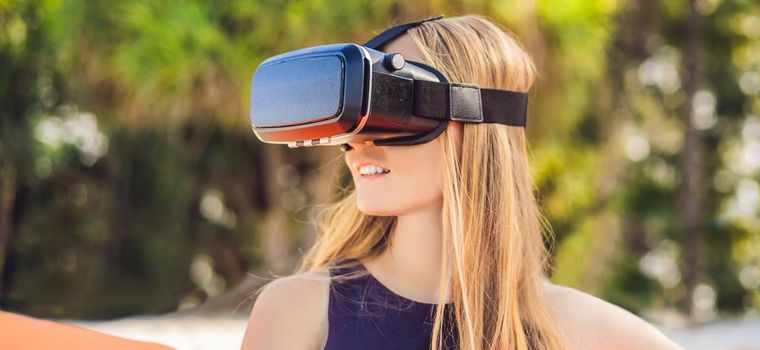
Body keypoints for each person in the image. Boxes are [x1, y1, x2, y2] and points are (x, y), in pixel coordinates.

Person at [240, 15, 683, 350]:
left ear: (479, 122)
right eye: (356, 118)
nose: (360, 141)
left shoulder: (579, 331)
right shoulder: (298, 312)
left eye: (391, 103)